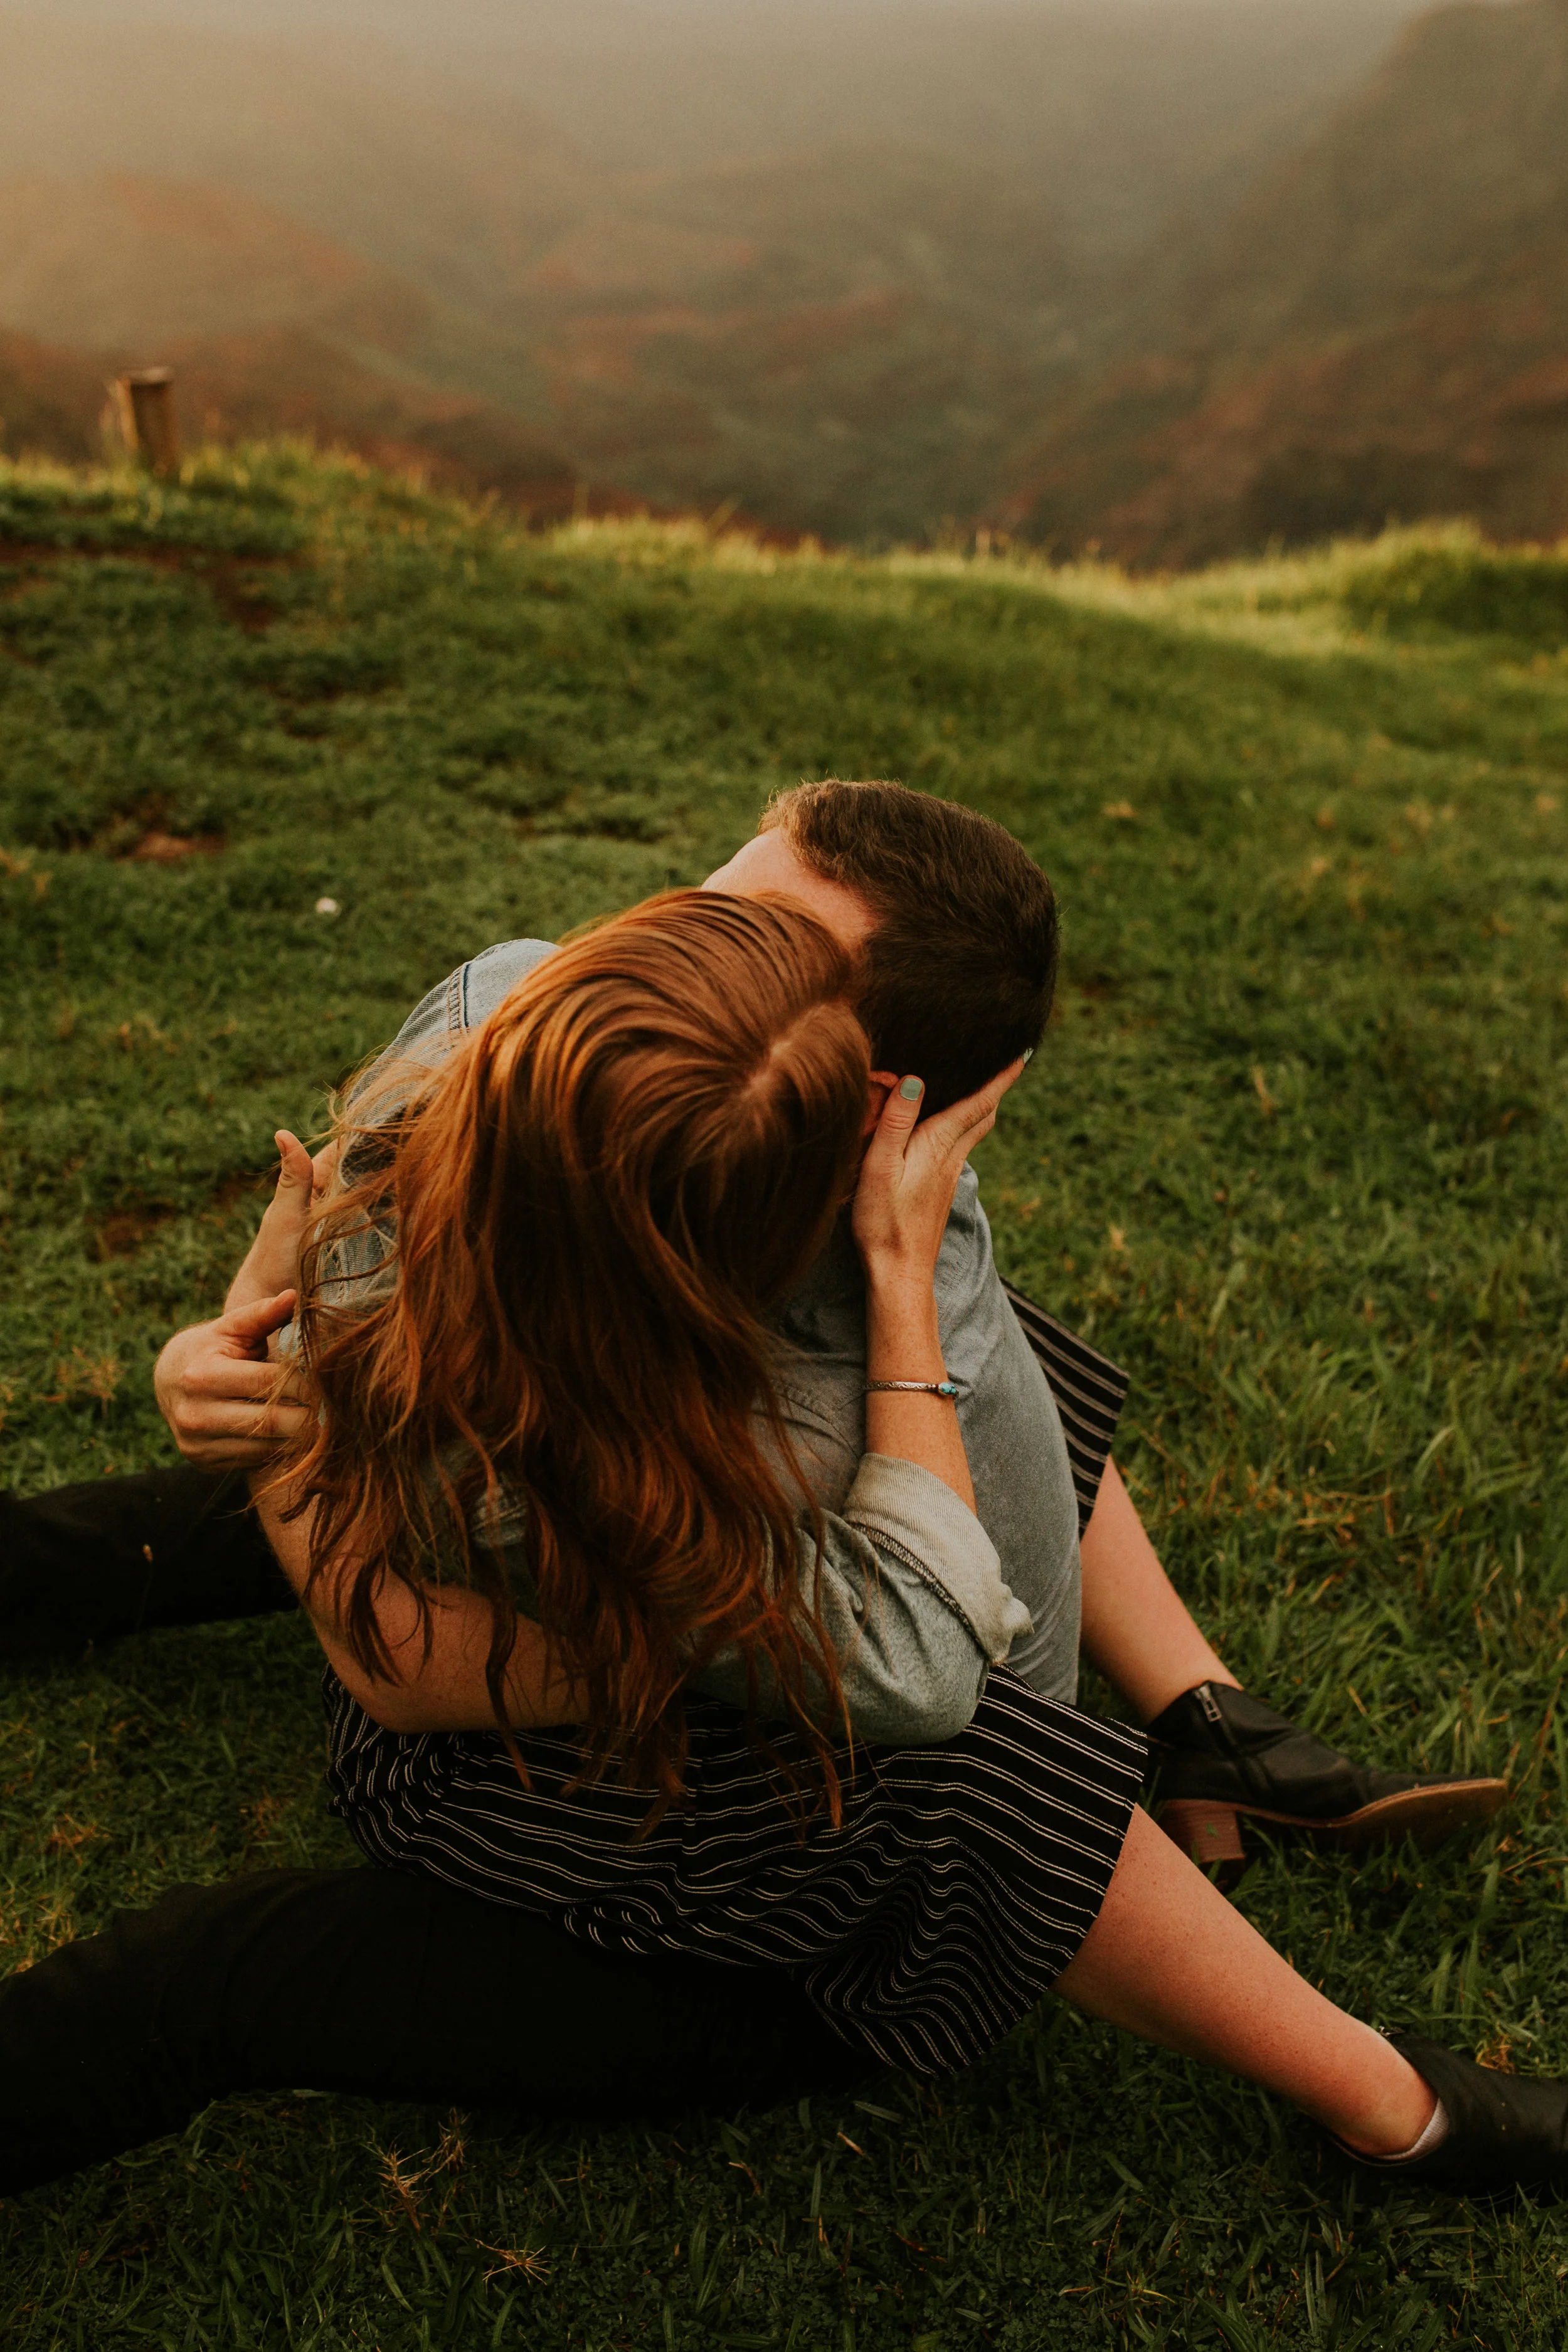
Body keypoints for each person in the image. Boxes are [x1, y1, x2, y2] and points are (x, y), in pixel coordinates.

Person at [0, 874, 1559, 2202]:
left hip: (520, 1535)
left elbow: (337, 1337)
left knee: (977, 1372)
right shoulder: (697, 1484)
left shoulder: (456, 1125)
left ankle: (1209, 1723)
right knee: (971, 1747)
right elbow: (404, 1668)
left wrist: (256, 1369)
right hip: (699, 1954)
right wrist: (897, 1297)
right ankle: (1390, 2107)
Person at [1, 782, 1505, 1861]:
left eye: (751, 945)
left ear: (853, 1102)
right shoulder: (518, 996)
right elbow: (358, 1243)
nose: (638, 955)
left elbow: (419, 1652)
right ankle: (1207, 1717)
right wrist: (227, 1354)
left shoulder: (786, 1412)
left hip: (863, 1721)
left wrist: (300, 1426)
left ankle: (1191, 1742)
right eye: (699, 906)